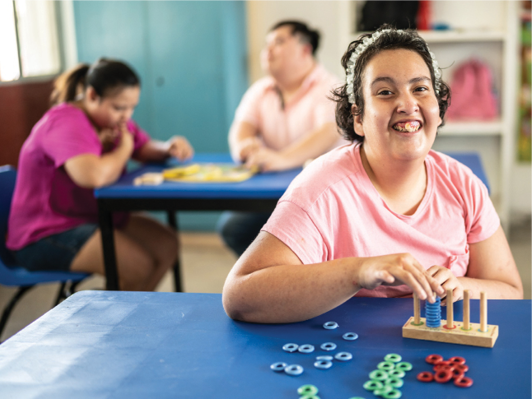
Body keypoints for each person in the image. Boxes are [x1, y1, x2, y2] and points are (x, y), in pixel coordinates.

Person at [222, 25, 523, 324]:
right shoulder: (323, 189)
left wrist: (462, 287)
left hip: (441, 362)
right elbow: (240, 296)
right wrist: (359, 272)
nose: (407, 104)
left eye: (420, 89)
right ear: (358, 118)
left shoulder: (463, 184)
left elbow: (511, 291)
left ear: (439, 107)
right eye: (385, 92)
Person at [7, 59, 194, 291]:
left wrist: (168, 147)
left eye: (131, 107)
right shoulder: (64, 122)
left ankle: (130, 316)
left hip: (91, 217)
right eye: (119, 108)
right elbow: (93, 176)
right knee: (137, 267)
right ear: (93, 96)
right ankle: (111, 318)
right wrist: (124, 149)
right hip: (44, 233)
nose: (126, 115)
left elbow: (143, 146)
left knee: (167, 244)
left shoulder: (110, 118)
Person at [218, 20, 345, 256]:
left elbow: (328, 132)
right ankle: (266, 281)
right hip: (271, 194)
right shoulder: (261, 89)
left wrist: (280, 158)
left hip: (322, 194)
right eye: (267, 43)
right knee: (232, 228)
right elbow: (242, 127)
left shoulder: (331, 87)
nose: (268, 50)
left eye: (278, 42)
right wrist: (244, 147)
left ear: (305, 49)